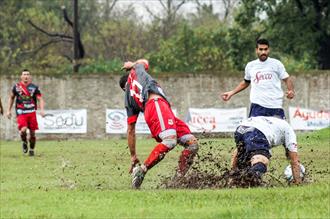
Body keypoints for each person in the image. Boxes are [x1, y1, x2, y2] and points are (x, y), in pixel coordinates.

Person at [119, 59, 199, 189]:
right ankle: (142, 170)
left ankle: (178, 180)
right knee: (169, 140)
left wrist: (133, 156)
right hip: (156, 105)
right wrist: (132, 64)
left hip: (159, 110)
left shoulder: (128, 100)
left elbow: (130, 130)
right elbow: (144, 61)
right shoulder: (137, 71)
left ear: (124, 88)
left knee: (192, 144)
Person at [221, 38, 295, 119]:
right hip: (257, 106)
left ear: (269, 50)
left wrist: (291, 91)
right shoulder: (250, 66)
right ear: (256, 50)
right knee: (255, 131)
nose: (263, 52)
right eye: (261, 49)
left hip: (275, 106)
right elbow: (246, 82)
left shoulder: (276, 64)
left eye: (266, 49)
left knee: (278, 131)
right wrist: (232, 92)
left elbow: (287, 79)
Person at [230, 116, 302, 186]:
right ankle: (250, 180)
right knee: (261, 161)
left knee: (243, 166)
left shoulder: (272, 123)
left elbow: (237, 152)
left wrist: (233, 171)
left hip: (241, 129)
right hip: (256, 132)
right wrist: (297, 182)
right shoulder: (289, 131)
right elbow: (294, 160)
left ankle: (233, 180)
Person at [6, 69, 45, 156]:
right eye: (24, 74)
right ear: (21, 76)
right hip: (21, 112)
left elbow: (40, 99)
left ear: (30, 76)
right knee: (23, 130)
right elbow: (11, 98)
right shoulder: (16, 87)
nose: (26, 76)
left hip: (31, 112)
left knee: (32, 133)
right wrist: (8, 110)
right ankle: (24, 142)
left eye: (27, 74)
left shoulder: (34, 87)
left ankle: (31, 149)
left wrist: (42, 110)